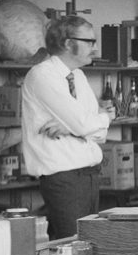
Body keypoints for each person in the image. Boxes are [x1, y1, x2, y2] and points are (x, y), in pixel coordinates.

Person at [21, 15, 113, 239]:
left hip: (89, 176)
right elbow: (86, 123)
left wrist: (73, 126)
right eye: (89, 41)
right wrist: (104, 117)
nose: (96, 47)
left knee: (91, 245)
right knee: (74, 248)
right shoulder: (42, 75)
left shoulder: (78, 76)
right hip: (64, 180)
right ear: (67, 43)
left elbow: (99, 134)